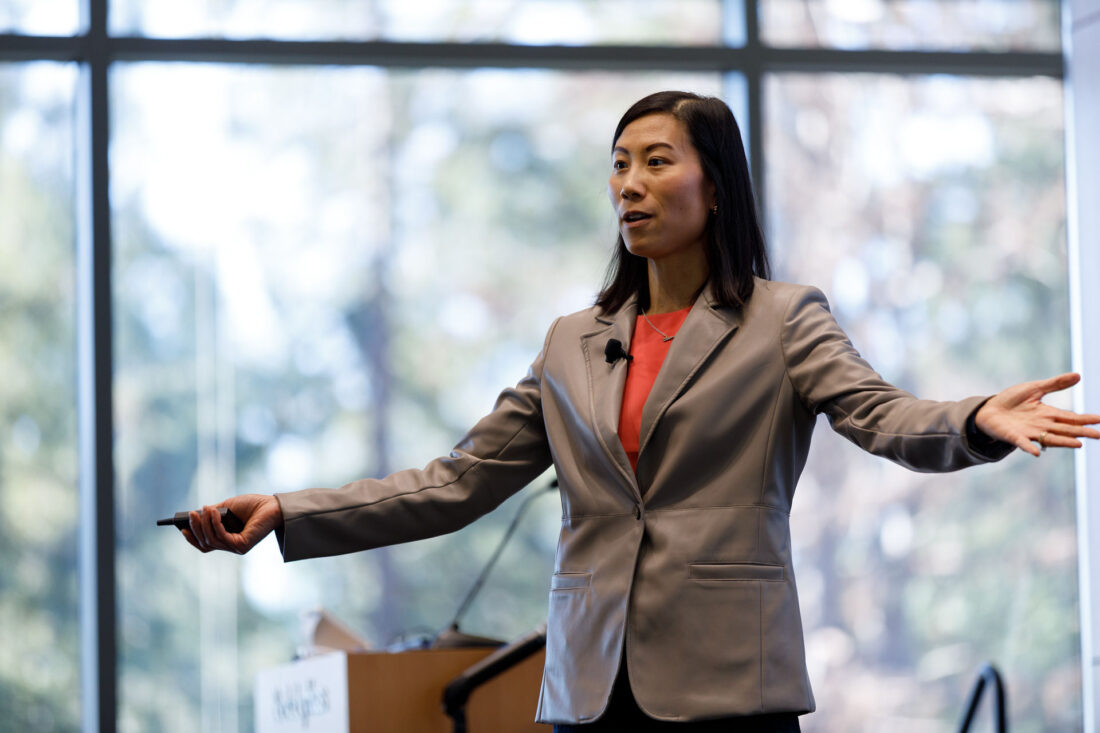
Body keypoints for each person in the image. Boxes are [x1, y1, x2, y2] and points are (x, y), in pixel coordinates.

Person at [182, 91, 1100, 731]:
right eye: (619, 165)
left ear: (715, 184)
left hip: (729, 687)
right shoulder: (571, 341)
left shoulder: (783, 320)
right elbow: (456, 483)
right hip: (588, 686)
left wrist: (977, 418)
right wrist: (286, 514)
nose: (629, 184)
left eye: (657, 162)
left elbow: (881, 413)